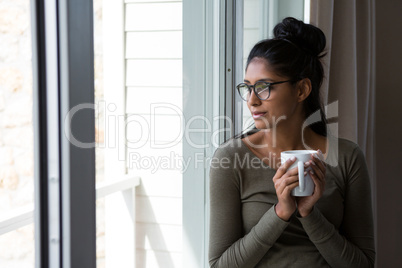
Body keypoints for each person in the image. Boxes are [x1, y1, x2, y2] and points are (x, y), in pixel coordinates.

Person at [208, 17, 375, 267]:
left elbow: (363, 264)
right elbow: (220, 265)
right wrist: (280, 212)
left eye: (264, 87)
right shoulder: (230, 158)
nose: (252, 100)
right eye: (247, 87)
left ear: (301, 90)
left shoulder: (346, 158)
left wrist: (309, 213)